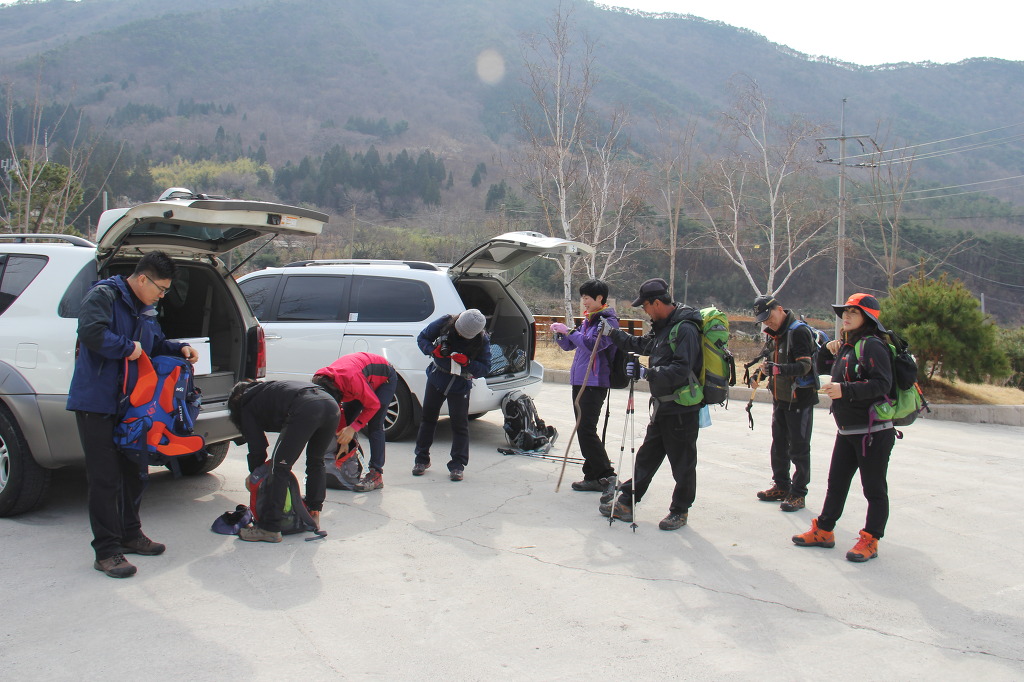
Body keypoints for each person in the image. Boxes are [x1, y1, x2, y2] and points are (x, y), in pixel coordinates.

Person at [67, 251, 200, 578]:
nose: (162, 295)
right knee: (105, 478)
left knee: (135, 471)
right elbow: (91, 332)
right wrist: (127, 348)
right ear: (142, 278)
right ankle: (106, 551)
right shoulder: (104, 295)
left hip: (134, 407)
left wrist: (179, 348)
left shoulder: (145, 309)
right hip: (97, 403)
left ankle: (130, 533)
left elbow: (154, 345)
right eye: (161, 288)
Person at [792, 293, 896, 563]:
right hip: (848, 430)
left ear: (868, 317)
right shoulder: (850, 345)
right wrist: (828, 351)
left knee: (873, 488)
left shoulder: (873, 345)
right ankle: (824, 530)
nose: (846, 317)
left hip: (873, 432)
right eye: (845, 312)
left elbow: (882, 384)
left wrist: (845, 390)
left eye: (853, 312)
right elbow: (823, 370)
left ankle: (871, 539)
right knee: (836, 484)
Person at [597, 278, 703, 531]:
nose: (644, 311)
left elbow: (681, 369)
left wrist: (647, 373)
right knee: (646, 457)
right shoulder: (663, 327)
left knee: (683, 464)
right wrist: (613, 333)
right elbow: (643, 345)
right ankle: (627, 502)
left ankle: (680, 511)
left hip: (682, 408)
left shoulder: (685, 329)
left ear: (656, 303)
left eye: (645, 306)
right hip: (663, 407)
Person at [228, 379, 340, 542]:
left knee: (279, 468)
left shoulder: (246, 403)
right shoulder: (269, 389)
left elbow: (257, 447)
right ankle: (313, 513)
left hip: (306, 408)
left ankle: (269, 528)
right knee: (316, 460)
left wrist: (256, 475)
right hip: (330, 404)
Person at [749, 295, 819, 512]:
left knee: (799, 448)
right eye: (763, 319)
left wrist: (778, 370)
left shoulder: (798, 331)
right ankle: (781, 486)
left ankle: (798, 493)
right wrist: (758, 375)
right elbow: (768, 361)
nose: (767, 322)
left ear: (779, 309)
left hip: (800, 399)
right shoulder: (774, 334)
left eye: (769, 316)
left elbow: (805, 366)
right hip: (780, 397)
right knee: (779, 445)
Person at [550, 279, 619, 493]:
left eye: (587, 298)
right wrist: (560, 334)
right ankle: (592, 476)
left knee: (586, 430)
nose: (584, 302)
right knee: (584, 429)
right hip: (581, 380)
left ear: (600, 298)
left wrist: (570, 332)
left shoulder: (607, 322)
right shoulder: (589, 320)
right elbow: (570, 345)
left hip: (594, 382)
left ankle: (607, 474)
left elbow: (591, 345)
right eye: (582, 298)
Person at [412, 309, 491, 481]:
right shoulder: (445, 323)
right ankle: (421, 459)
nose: (461, 336)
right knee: (428, 419)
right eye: (459, 332)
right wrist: (432, 350)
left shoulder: (482, 339)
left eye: (465, 336)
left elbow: (485, 368)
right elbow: (422, 338)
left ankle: (457, 465)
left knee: (459, 425)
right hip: (437, 377)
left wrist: (468, 363)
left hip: (460, 384)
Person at [312, 352, 398, 492]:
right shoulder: (322, 381)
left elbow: (373, 405)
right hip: (361, 379)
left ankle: (376, 474)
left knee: (375, 425)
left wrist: (353, 428)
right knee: (347, 419)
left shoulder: (351, 380)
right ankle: (347, 461)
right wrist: (344, 440)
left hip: (384, 379)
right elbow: (338, 411)